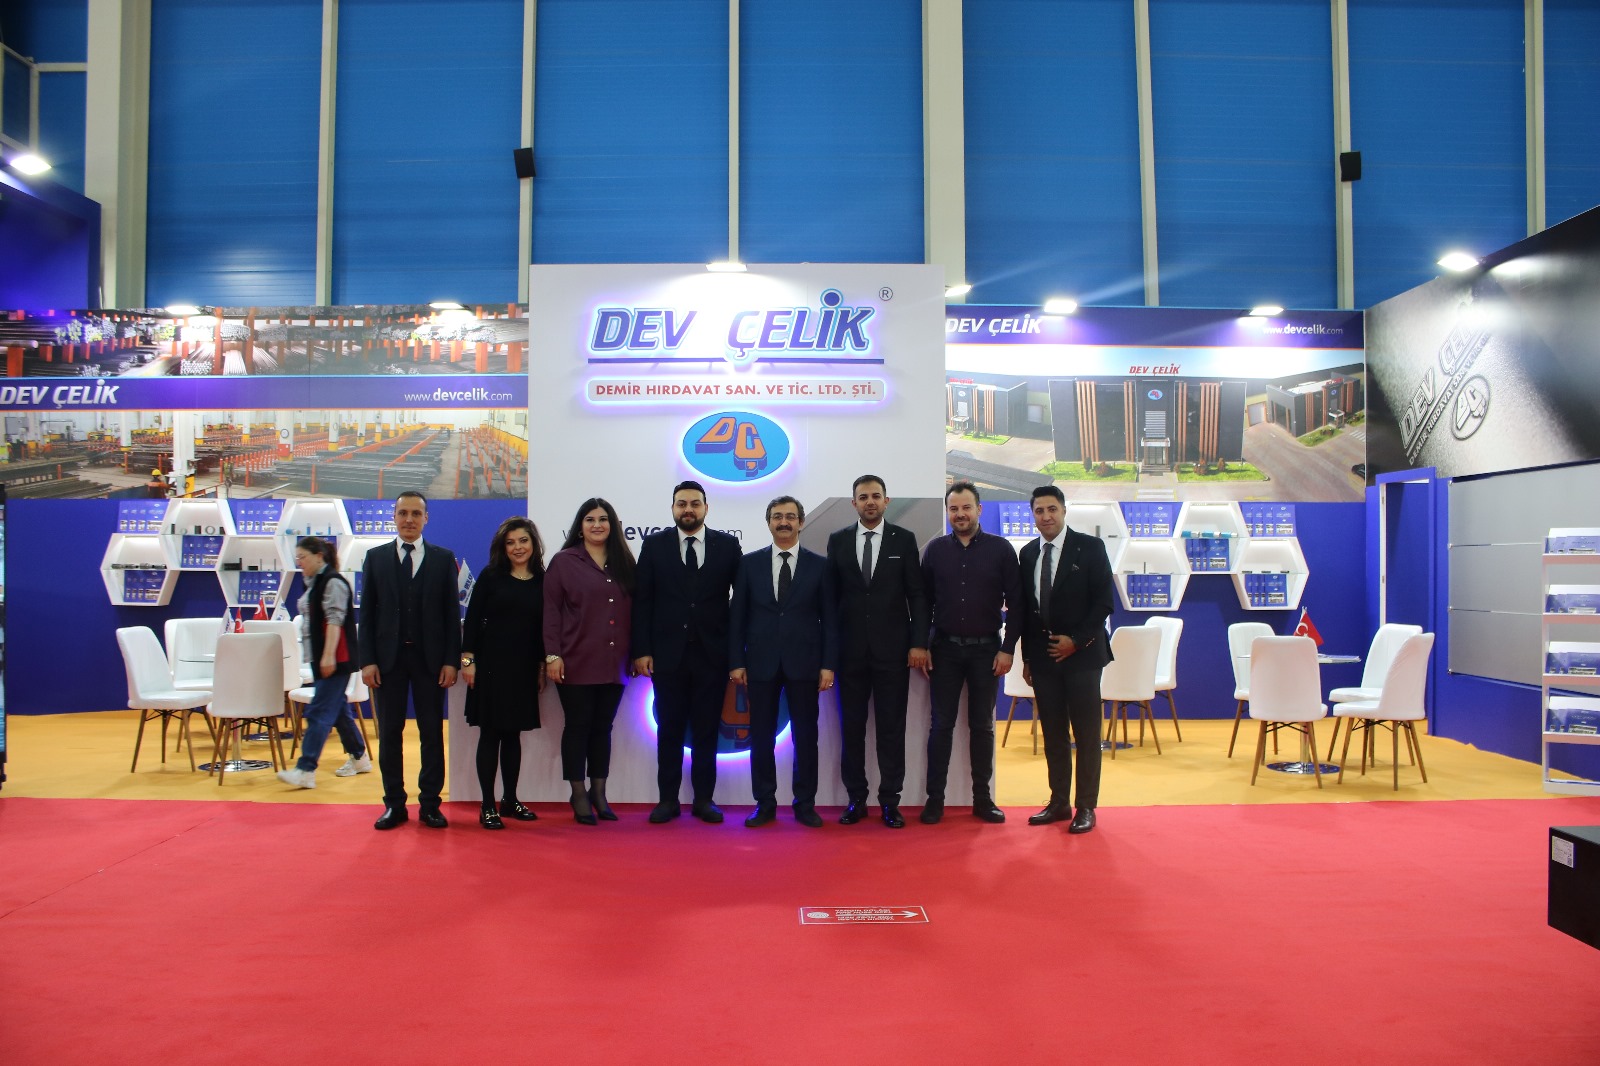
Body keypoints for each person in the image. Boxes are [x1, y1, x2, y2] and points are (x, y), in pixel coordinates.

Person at [631, 480, 741, 825]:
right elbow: (642, 600)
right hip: (667, 656)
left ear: (706, 508)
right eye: (682, 504)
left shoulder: (728, 546)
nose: (688, 509)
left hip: (712, 655)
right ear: (673, 508)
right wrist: (642, 649)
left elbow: (741, 602)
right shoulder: (654, 545)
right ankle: (668, 800)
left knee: (707, 731)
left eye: (695, 503)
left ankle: (704, 800)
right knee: (669, 730)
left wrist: (735, 653)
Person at [825, 474, 929, 829]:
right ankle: (856, 799)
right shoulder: (838, 540)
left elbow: (917, 595)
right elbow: (830, 600)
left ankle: (890, 801)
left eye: (876, 496)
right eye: (863, 497)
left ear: (886, 500)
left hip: (893, 653)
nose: (870, 502)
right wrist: (830, 653)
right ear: (853, 503)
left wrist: (918, 642)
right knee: (852, 730)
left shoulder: (904, 539)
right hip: (849, 654)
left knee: (891, 730)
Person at [729, 496, 836, 828]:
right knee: (761, 736)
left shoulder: (820, 566)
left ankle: (805, 804)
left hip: (805, 664)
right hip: (759, 664)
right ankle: (764, 803)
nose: (784, 522)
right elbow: (737, 617)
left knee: (805, 736)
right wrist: (736, 661)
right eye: (777, 516)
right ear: (769, 523)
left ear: (801, 522)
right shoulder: (749, 564)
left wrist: (828, 664)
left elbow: (831, 620)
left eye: (790, 516)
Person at [358, 490, 461, 831]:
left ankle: (430, 804)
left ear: (426, 518)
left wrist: (451, 660)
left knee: (432, 732)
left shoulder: (443, 559)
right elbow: (366, 615)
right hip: (388, 662)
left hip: (431, 662)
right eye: (403, 513)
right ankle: (394, 804)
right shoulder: (375, 558)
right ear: (394, 517)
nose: (409, 519)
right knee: (390, 733)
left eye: (416, 513)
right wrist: (367, 660)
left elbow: (451, 616)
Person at [919, 481, 1020, 824]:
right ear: (948, 513)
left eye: (966, 508)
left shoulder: (1001, 550)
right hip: (944, 651)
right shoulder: (935, 551)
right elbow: (923, 603)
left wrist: (1008, 649)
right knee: (941, 726)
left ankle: (982, 799)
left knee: (982, 727)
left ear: (979, 509)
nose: (960, 514)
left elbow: (1017, 603)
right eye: (954, 509)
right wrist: (924, 643)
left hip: (987, 653)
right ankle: (935, 800)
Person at [1016, 484, 1115, 834]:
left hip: (1083, 657)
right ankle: (1059, 802)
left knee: (1086, 735)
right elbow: (1026, 610)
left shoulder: (1090, 548)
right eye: (1039, 511)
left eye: (1052, 509)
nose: (1046, 516)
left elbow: (1103, 602)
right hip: (1044, 659)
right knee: (1053, 734)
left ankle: (1086, 806)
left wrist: (1076, 641)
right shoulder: (1028, 554)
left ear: (1063, 510)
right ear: (1033, 515)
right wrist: (1028, 658)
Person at [544, 497, 635, 825]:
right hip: (575, 660)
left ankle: (599, 791)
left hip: (615, 662)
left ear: (613, 526)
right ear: (580, 527)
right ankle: (578, 792)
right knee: (578, 726)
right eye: (590, 519)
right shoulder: (564, 562)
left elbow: (635, 612)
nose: (597, 525)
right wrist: (552, 654)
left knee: (603, 728)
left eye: (603, 519)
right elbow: (551, 612)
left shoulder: (625, 562)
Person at [460, 517, 547, 830]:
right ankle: (487, 805)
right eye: (510, 543)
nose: (517, 548)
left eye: (523, 541)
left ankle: (510, 800)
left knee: (513, 735)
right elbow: (472, 620)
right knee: (491, 734)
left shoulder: (542, 579)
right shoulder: (491, 575)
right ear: (502, 547)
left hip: (524, 667)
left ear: (533, 543)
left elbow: (543, 628)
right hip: (491, 666)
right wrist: (468, 660)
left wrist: (541, 665)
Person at [276, 537, 370, 789]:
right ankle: (359, 757)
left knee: (318, 711)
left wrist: (328, 656)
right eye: (297, 558)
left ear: (319, 556)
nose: (299, 563)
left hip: (335, 660)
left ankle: (306, 769)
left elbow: (335, 620)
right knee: (338, 711)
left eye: (303, 557)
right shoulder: (315, 582)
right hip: (320, 658)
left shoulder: (333, 582)